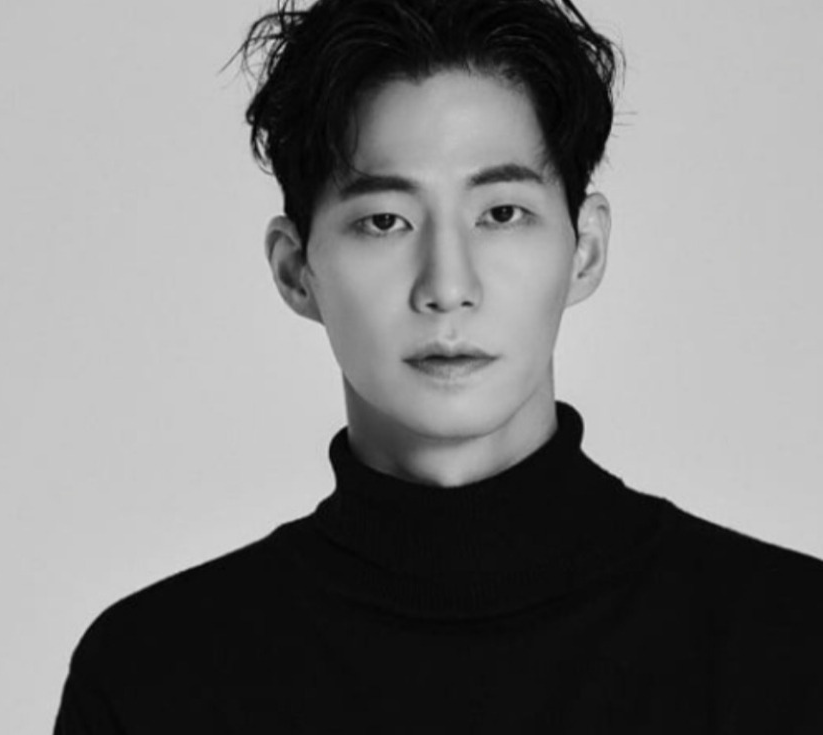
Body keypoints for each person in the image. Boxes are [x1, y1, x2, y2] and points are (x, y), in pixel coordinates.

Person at [53, 0, 823, 731]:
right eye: (384, 220)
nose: (448, 286)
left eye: (502, 213)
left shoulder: (790, 645)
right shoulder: (155, 676)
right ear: (295, 270)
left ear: (585, 249)